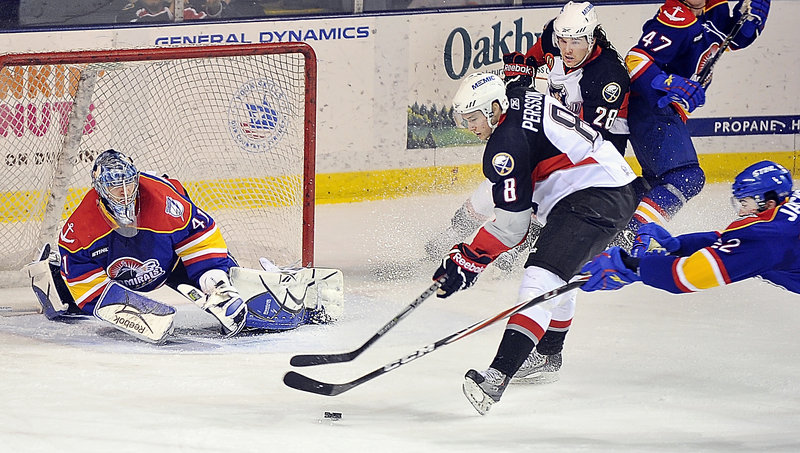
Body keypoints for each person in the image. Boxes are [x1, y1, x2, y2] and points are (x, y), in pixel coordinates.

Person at [431, 72, 638, 415]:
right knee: (562, 274)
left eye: (473, 118)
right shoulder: (517, 97)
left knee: (541, 278)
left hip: (591, 198)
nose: (469, 127)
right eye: (463, 119)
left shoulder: (505, 145)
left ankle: (495, 379)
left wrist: (469, 258)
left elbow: (513, 227)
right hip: (610, 185)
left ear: (495, 108)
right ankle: (547, 354)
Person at [27, 149, 340, 342]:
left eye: (128, 183)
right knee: (62, 301)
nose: (123, 192)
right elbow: (83, 278)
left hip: (172, 259)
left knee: (231, 291)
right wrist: (125, 307)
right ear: (99, 190)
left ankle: (291, 293)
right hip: (115, 268)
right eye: (114, 186)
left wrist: (214, 282)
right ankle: (47, 273)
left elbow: (200, 238)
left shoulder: (164, 199)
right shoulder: (80, 228)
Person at [425, 1, 634, 269]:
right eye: (563, 40)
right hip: (551, 133)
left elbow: (587, 137)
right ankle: (455, 232)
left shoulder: (608, 77)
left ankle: (524, 245)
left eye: (576, 42)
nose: (567, 49)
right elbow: (528, 64)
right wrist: (520, 79)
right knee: (500, 184)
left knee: (541, 191)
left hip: (591, 150)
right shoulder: (553, 38)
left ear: (592, 38)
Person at [621, 0, 771, 244]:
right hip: (650, 107)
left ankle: (605, 222)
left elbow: (731, 39)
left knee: (657, 183)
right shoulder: (675, 17)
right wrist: (668, 82)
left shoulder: (714, 8)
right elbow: (635, 59)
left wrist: (751, 22)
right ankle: (632, 235)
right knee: (686, 177)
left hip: (667, 112)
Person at [580, 160, 798, 297]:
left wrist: (631, 266)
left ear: (768, 203)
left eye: (746, 203)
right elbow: (731, 244)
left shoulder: (768, 238)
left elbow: (686, 277)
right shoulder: (785, 209)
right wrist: (679, 246)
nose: (741, 212)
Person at [116, 0, 223, 23]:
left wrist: (213, 5)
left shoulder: (191, 4)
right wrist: (173, 9)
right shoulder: (130, 11)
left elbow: (216, 25)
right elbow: (140, 32)